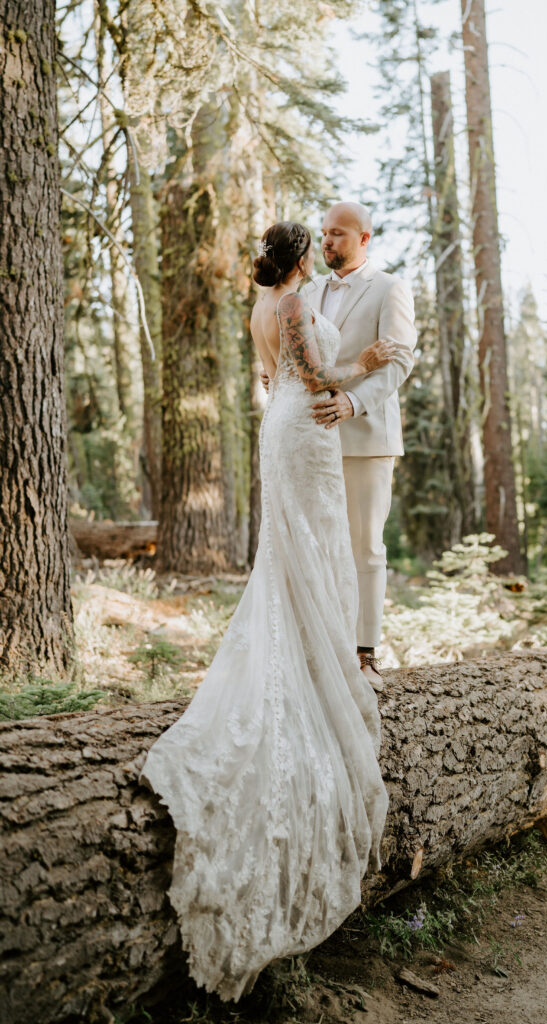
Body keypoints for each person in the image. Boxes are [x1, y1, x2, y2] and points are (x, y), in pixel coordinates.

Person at [138, 221, 391, 1003]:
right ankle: (318, 659)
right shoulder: (290, 305)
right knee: (309, 546)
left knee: (298, 549)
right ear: (302, 258)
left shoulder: (262, 308)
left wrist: (340, 374)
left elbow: (275, 376)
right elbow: (312, 376)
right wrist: (361, 370)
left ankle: (314, 650)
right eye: (314, 246)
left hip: (282, 428)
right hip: (304, 430)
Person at [302, 202, 417, 690]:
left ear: (364, 238)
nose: (327, 241)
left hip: (366, 437)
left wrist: (353, 402)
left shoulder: (389, 288)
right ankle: (325, 651)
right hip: (311, 438)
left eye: (338, 234)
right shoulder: (308, 290)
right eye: (324, 233)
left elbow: (399, 361)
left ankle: (365, 654)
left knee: (365, 546)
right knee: (317, 545)